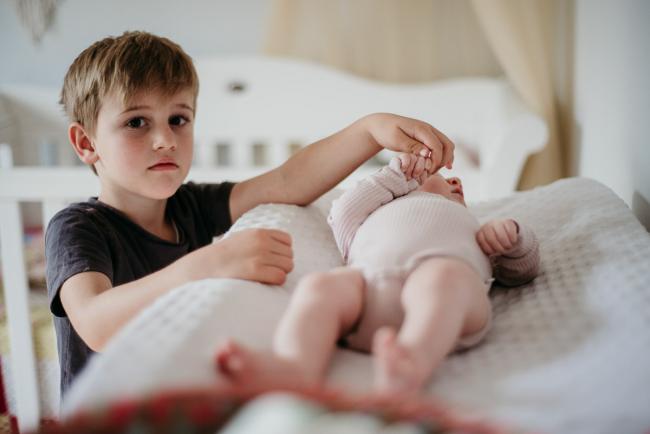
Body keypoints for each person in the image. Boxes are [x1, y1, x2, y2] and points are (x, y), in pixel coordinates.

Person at [44, 31, 455, 396]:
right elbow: (96, 324)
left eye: (178, 119)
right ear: (86, 143)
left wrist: (369, 130)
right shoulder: (77, 227)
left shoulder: (189, 207)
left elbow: (287, 183)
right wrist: (209, 263)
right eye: (136, 122)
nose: (165, 139)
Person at [215, 153, 540, 395]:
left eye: (456, 182)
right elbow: (342, 210)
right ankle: (295, 364)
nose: (456, 182)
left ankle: (412, 359)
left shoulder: (476, 228)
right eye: (438, 175)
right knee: (321, 286)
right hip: (367, 295)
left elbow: (520, 272)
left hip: (443, 301)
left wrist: (513, 238)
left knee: (443, 279)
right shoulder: (368, 216)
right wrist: (394, 177)